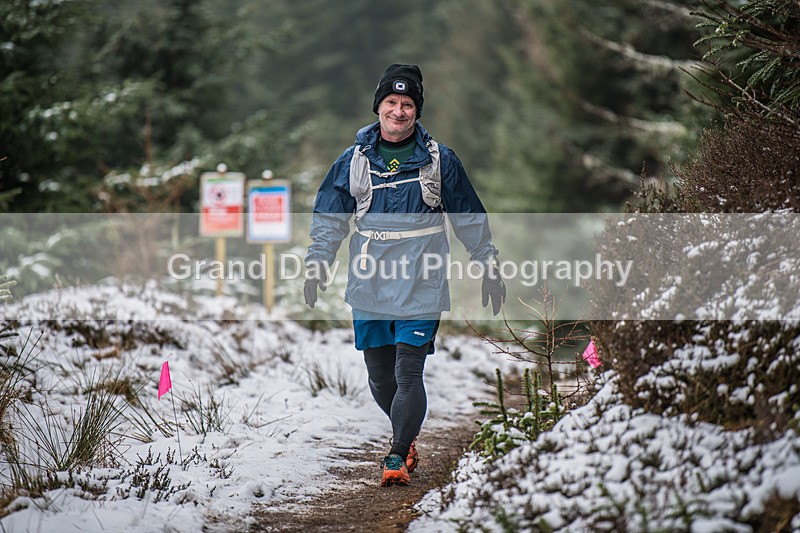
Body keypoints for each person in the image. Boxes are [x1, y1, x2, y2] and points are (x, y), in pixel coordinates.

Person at [304, 64, 505, 486]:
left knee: (407, 373)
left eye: (408, 103)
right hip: (370, 278)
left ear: (417, 111)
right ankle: (406, 436)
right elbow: (329, 216)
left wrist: (487, 262)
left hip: (422, 278)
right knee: (379, 376)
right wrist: (318, 262)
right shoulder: (353, 161)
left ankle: (395, 455)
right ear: (379, 107)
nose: (399, 111)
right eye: (392, 102)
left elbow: (468, 214)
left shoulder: (439, 160)